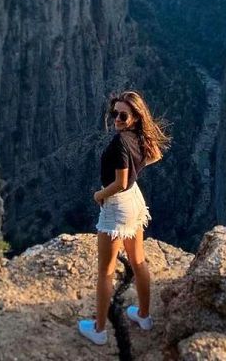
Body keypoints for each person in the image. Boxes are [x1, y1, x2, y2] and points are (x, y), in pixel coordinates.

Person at [78, 90, 172, 346]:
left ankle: (98, 330)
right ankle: (144, 316)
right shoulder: (140, 136)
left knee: (106, 273)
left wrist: (100, 194)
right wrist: (136, 171)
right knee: (138, 260)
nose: (117, 118)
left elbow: (119, 183)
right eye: (115, 113)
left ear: (135, 117)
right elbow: (155, 156)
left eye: (123, 115)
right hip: (135, 200)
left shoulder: (120, 143)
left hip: (118, 206)